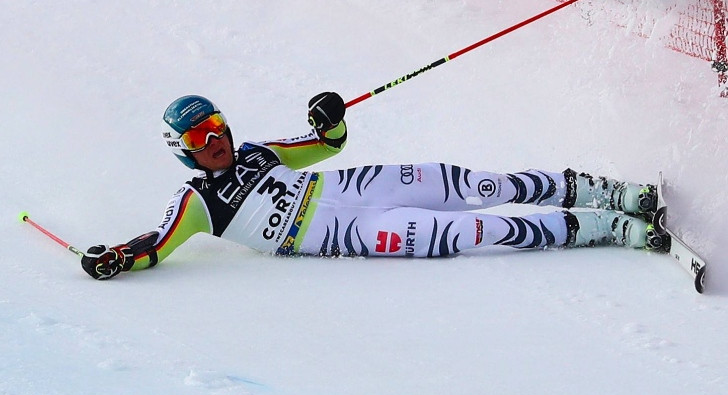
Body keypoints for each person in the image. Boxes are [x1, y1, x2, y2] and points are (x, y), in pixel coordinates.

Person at [80, 93, 664, 280]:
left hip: (360, 186)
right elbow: (155, 246)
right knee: (474, 230)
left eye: (217, 126)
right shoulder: (197, 205)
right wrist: (116, 257)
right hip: (350, 230)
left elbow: (328, 144)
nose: (216, 140)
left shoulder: (258, 151)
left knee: (482, 185)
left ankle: (609, 193)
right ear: (182, 150)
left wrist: (329, 116)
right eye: (200, 137)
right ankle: (610, 228)